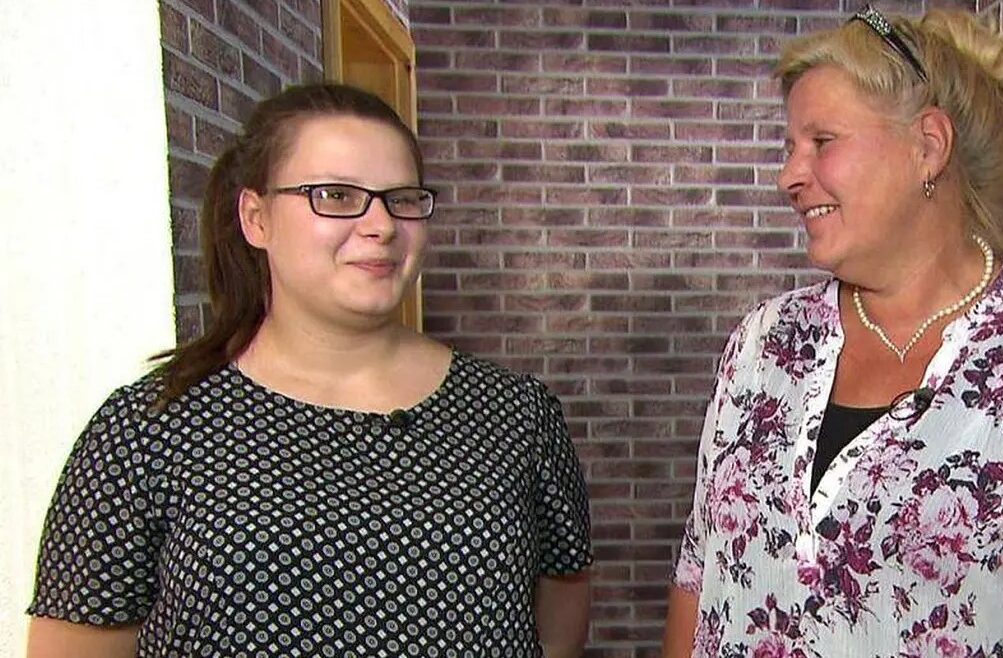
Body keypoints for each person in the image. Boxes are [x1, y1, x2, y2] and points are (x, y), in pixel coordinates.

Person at [663, 7, 1003, 657]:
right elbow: (699, 575)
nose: (789, 176)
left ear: (928, 146)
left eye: (821, 141)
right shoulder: (762, 344)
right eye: (790, 148)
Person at [27, 83, 592, 657]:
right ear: (256, 218)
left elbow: (557, 625)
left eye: (402, 199)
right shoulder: (148, 430)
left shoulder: (515, 414)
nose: (381, 225)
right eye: (336, 196)